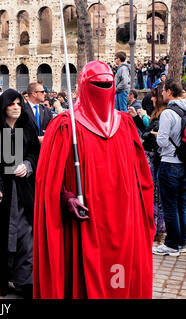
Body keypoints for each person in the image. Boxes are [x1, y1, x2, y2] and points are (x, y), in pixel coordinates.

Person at [34, 61, 155, 299]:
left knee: (118, 277)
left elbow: (142, 178)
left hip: (122, 221)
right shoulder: (64, 126)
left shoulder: (125, 125)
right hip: (85, 220)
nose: (103, 89)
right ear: (83, 86)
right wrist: (65, 196)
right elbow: (47, 181)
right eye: (96, 84)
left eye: (107, 84)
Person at [0, 88, 40, 298]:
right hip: (1, 192)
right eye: (11, 104)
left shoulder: (27, 125)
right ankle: (0, 279)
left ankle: (25, 280)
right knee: (0, 235)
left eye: (19, 104)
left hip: (23, 191)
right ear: (3, 107)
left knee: (26, 234)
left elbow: (34, 151)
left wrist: (27, 165)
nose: (16, 107)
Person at [152, 79, 186, 256]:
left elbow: (161, 140)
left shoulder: (169, 113)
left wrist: (158, 137)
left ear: (169, 92)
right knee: (181, 204)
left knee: (170, 206)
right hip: (185, 163)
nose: (162, 94)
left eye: (163, 91)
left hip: (170, 163)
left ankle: (171, 244)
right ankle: (181, 242)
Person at [129, 84, 166, 240]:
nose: (151, 98)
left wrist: (149, 133)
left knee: (155, 195)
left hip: (155, 159)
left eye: (154, 96)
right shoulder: (156, 114)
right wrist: (137, 118)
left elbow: (148, 135)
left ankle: (157, 228)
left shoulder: (163, 115)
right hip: (151, 159)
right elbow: (146, 132)